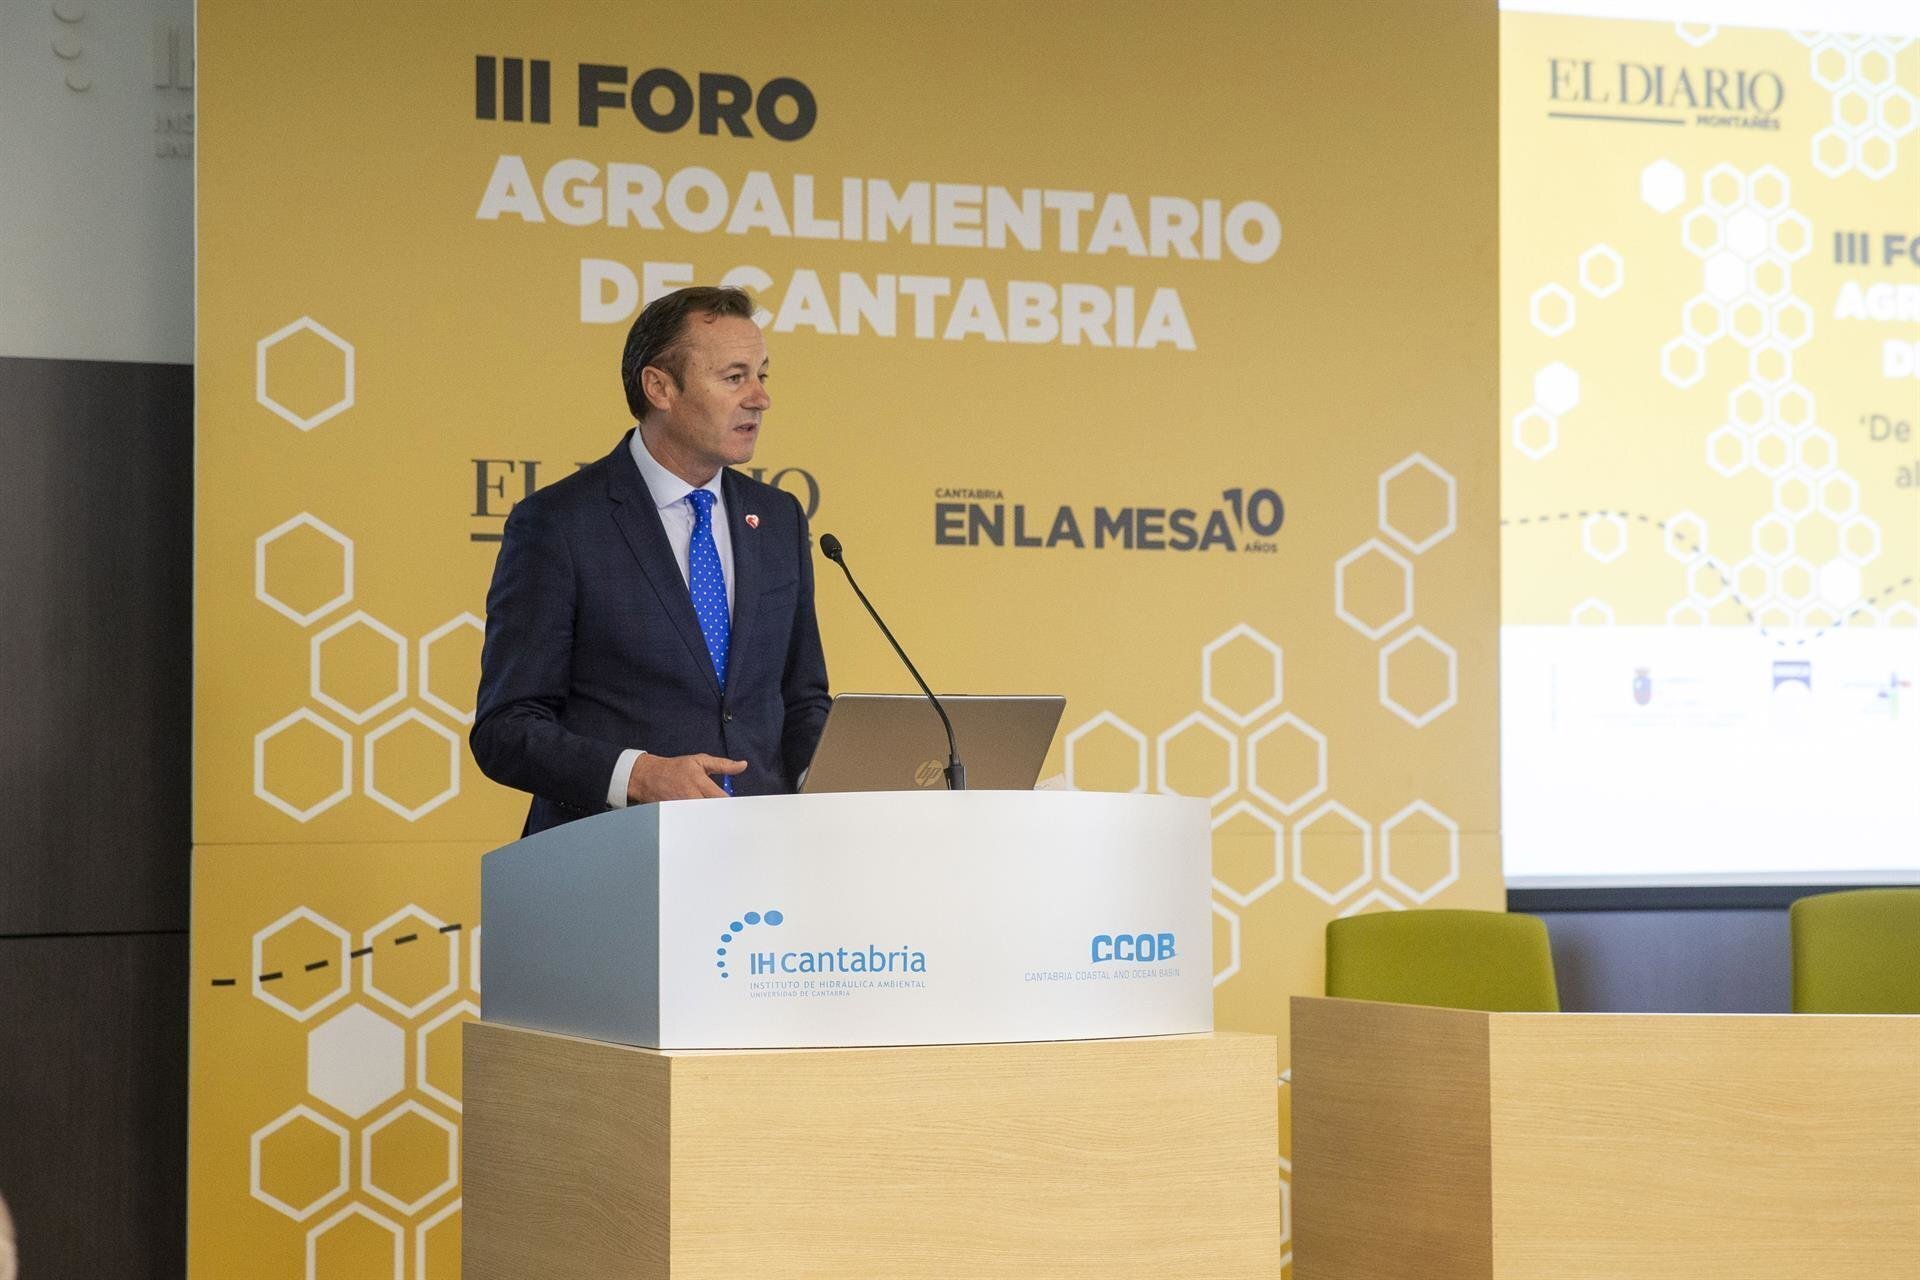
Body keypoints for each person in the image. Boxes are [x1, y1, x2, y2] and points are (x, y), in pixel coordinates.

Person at [472, 286, 830, 834]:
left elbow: (801, 699)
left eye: (761, 375)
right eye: (734, 378)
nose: (760, 398)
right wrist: (636, 776)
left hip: (761, 852)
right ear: (660, 387)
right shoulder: (560, 523)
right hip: (615, 851)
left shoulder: (778, 518)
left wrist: (822, 777)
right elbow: (506, 728)